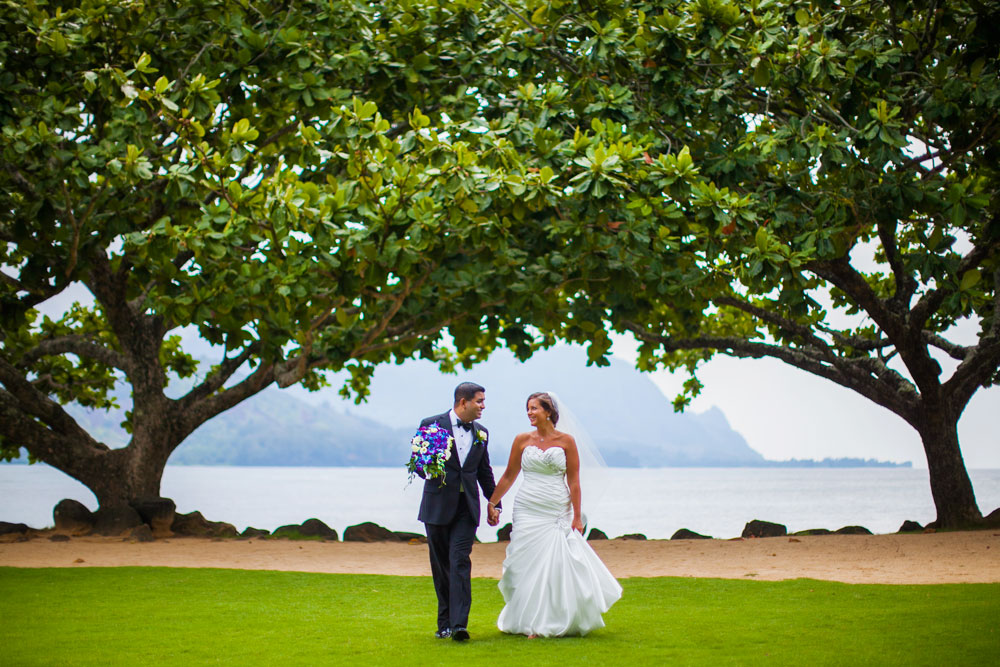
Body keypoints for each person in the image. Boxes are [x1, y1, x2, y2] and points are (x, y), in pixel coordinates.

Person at [487, 391, 622, 637]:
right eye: (527, 408)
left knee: (552, 563)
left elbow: (574, 482)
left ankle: (545, 622)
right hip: (527, 507)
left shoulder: (567, 441)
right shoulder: (521, 440)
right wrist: (493, 502)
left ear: (548, 412)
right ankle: (526, 619)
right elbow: (509, 475)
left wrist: (577, 516)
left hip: (556, 507)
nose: (529, 413)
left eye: (534, 408)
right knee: (526, 563)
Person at [416, 382, 499, 642]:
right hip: (437, 506)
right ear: (463, 402)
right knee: (442, 567)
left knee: (460, 561)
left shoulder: (482, 433)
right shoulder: (431, 424)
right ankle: (444, 625)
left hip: (467, 509)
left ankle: (460, 625)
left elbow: (483, 471)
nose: (483, 406)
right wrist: (428, 468)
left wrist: (494, 502)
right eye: (479, 401)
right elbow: (419, 464)